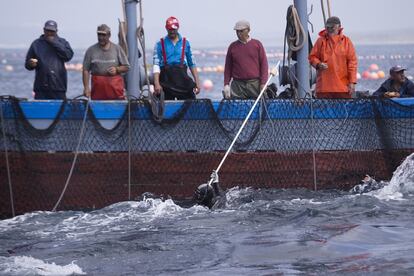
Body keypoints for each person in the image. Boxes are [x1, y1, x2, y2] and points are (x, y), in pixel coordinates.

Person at [308, 16, 357, 99]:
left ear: (339, 27)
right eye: (327, 27)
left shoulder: (347, 42)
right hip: (324, 88)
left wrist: (352, 82)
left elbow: (352, 63)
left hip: (342, 88)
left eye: (332, 27)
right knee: (323, 111)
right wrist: (318, 64)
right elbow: (312, 57)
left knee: (342, 111)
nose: (330, 29)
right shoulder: (320, 41)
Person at [152, 16, 201, 100]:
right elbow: (156, 64)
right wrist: (156, 83)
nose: (172, 32)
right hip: (166, 79)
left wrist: (197, 82)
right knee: (162, 102)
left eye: (174, 29)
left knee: (191, 99)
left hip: (182, 78)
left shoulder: (186, 42)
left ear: (178, 28)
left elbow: (192, 63)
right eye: (170, 29)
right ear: (166, 29)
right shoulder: (160, 43)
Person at [25, 20, 74, 100]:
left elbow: (68, 56)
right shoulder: (36, 44)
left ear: (56, 31)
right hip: (40, 87)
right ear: (44, 30)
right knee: (41, 110)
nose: (49, 33)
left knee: (60, 110)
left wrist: (54, 42)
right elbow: (27, 65)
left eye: (52, 31)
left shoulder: (63, 42)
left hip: (58, 86)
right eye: (48, 30)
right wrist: (30, 64)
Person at [223, 20, 269, 99]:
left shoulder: (257, 44)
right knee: (237, 108)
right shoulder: (232, 46)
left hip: (254, 83)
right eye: (237, 31)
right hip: (237, 85)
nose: (239, 33)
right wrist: (226, 84)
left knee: (259, 106)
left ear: (248, 30)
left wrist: (263, 83)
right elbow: (228, 67)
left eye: (241, 31)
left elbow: (264, 65)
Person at [82, 24, 130, 100]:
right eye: (99, 35)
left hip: (115, 91)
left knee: (117, 109)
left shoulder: (117, 49)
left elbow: (127, 67)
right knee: (97, 109)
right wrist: (86, 88)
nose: (101, 37)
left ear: (109, 35)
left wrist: (117, 69)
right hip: (97, 90)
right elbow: (86, 70)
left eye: (103, 35)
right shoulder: (91, 50)